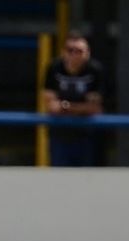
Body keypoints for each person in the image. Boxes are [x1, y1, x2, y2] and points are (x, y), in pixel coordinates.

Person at [42, 31, 105, 167]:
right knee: (60, 181)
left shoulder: (95, 70)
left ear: (87, 53)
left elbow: (95, 108)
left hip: (88, 136)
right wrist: (81, 107)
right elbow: (51, 106)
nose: (74, 55)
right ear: (63, 52)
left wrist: (64, 106)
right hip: (59, 135)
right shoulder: (54, 68)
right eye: (70, 50)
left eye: (79, 51)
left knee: (87, 181)